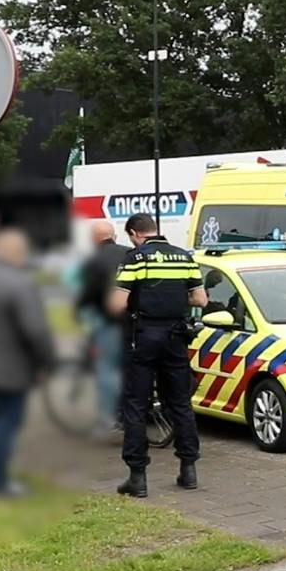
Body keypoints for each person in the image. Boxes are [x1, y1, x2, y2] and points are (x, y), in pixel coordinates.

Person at [106, 213, 207, 498]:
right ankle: (188, 470)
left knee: (136, 406)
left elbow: (117, 305)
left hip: (142, 339)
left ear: (134, 234)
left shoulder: (135, 259)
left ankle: (137, 478)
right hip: (176, 338)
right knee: (180, 404)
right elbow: (200, 299)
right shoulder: (183, 257)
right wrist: (174, 299)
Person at [0, 229, 55, 498]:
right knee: (6, 424)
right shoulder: (19, 284)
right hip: (11, 367)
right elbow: (35, 330)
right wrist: (47, 362)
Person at [75, 219, 130, 426]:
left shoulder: (92, 260)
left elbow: (88, 293)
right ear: (113, 236)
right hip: (135, 320)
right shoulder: (130, 253)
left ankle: (113, 415)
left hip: (109, 323)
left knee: (107, 368)